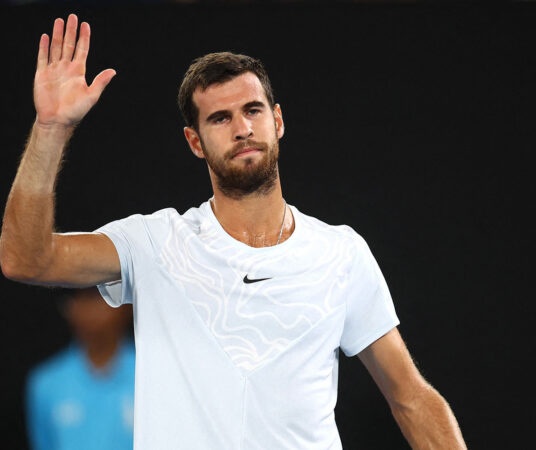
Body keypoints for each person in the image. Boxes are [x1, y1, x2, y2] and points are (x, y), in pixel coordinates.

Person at [0, 14, 467, 450]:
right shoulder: (155, 244)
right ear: (195, 142)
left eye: (252, 110)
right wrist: (51, 128)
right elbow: (26, 259)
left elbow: (410, 397)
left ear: (277, 120)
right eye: (220, 118)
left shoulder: (341, 252)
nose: (242, 127)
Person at [25, 287, 135, 450]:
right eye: (86, 298)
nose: (94, 309)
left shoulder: (152, 376)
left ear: (127, 306)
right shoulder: (46, 383)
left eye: (105, 298)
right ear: (70, 307)